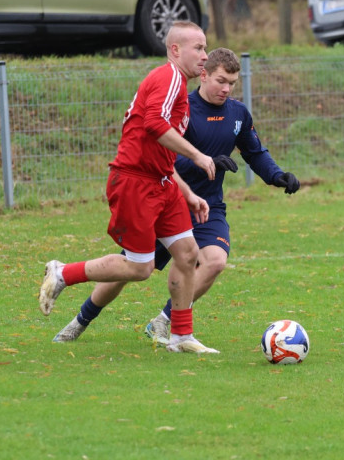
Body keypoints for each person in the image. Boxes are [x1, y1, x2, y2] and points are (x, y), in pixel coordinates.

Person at [49, 47, 300, 347]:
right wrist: (203, 159)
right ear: (204, 74)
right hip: (168, 200)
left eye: (232, 83)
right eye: (221, 80)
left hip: (209, 208)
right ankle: (80, 320)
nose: (226, 88)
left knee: (215, 261)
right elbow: (164, 160)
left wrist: (276, 176)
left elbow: (255, 152)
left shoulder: (238, 114)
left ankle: (166, 322)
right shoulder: (182, 108)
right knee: (129, 269)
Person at [38, 21, 220, 354]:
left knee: (188, 253)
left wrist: (188, 193)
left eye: (205, 48)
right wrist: (196, 155)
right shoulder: (169, 78)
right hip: (135, 182)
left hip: (162, 182)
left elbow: (161, 146)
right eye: (198, 48)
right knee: (139, 267)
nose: (205, 56)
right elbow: (154, 124)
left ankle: (181, 336)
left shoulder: (176, 83)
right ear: (175, 50)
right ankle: (64, 272)